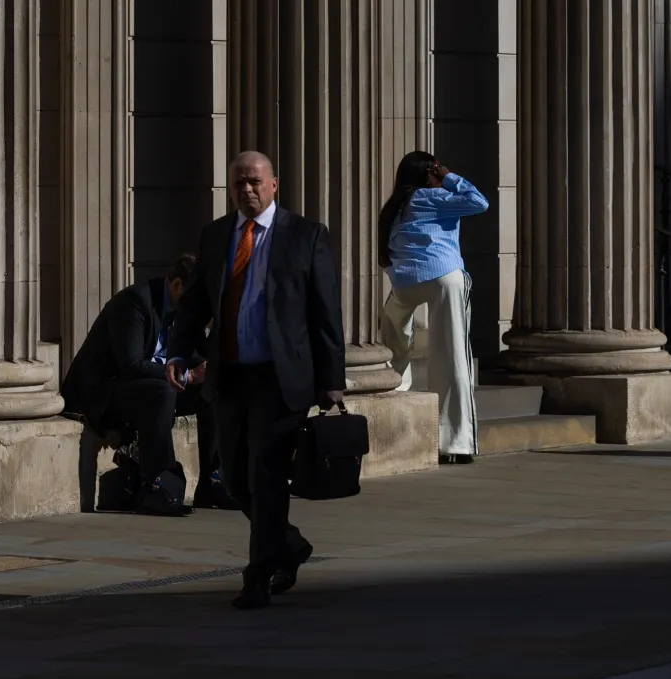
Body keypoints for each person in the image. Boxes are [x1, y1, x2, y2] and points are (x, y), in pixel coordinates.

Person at [165, 151, 346, 610]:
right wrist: (179, 350)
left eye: (255, 182)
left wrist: (332, 380)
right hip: (230, 374)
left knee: (265, 475)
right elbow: (197, 303)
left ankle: (258, 576)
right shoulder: (217, 236)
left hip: (280, 378)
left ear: (274, 185)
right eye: (239, 183)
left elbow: (326, 313)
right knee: (236, 477)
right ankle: (287, 544)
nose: (247, 190)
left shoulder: (305, 236)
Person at [61, 255, 225, 516]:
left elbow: (195, 354)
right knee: (162, 391)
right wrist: (188, 376)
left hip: (146, 389)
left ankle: (213, 481)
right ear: (176, 285)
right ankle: (157, 484)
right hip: (104, 392)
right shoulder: (135, 302)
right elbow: (132, 365)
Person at [377, 151, 489, 464]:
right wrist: (449, 177)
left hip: (405, 282)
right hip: (444, 277)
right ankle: (456, 442)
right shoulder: (436, 196)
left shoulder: (394, 207)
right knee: (452, 353)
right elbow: (479, 202)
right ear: (430, 173)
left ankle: (394, 390)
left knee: (393, 329)